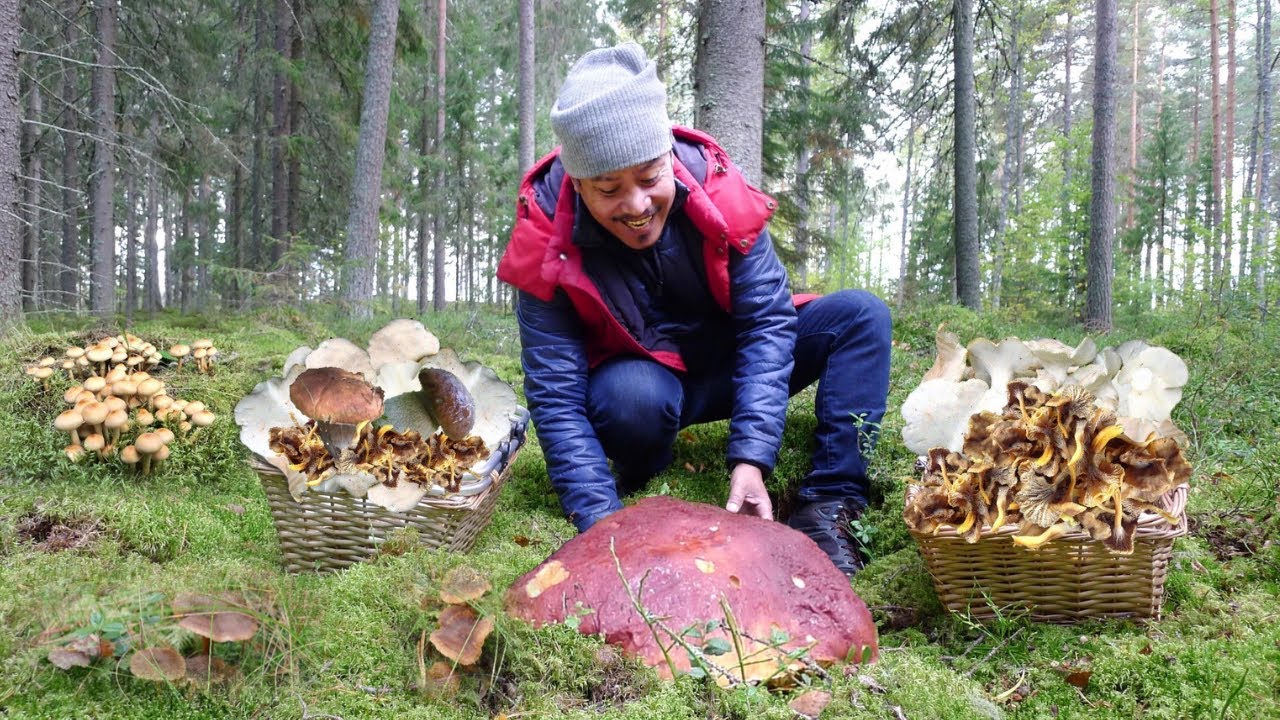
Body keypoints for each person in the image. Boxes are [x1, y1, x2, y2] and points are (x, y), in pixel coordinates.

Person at [496, 42, 891, 576]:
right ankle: (645, 463)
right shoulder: (546, 236)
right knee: (632, 399)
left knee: (860, 316)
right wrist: (600, 525)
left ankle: (829, 504)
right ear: (578, 183)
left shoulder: (715, 189)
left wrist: (752, 458)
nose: (636, 206)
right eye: (609, 188)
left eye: (650, 177)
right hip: (648, 390)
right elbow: (555, 393)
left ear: (669, 160)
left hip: (733, 364)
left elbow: (768, 322)